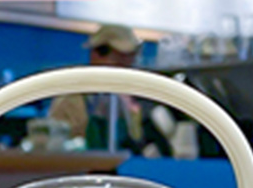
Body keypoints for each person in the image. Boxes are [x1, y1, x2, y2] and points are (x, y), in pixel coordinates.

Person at [50, 24, 172, 156]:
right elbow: (58, 146)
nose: (127, 64)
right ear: (96, 55)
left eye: (130, 59)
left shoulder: (129, 100)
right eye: (119, 60)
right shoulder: (71, 98)